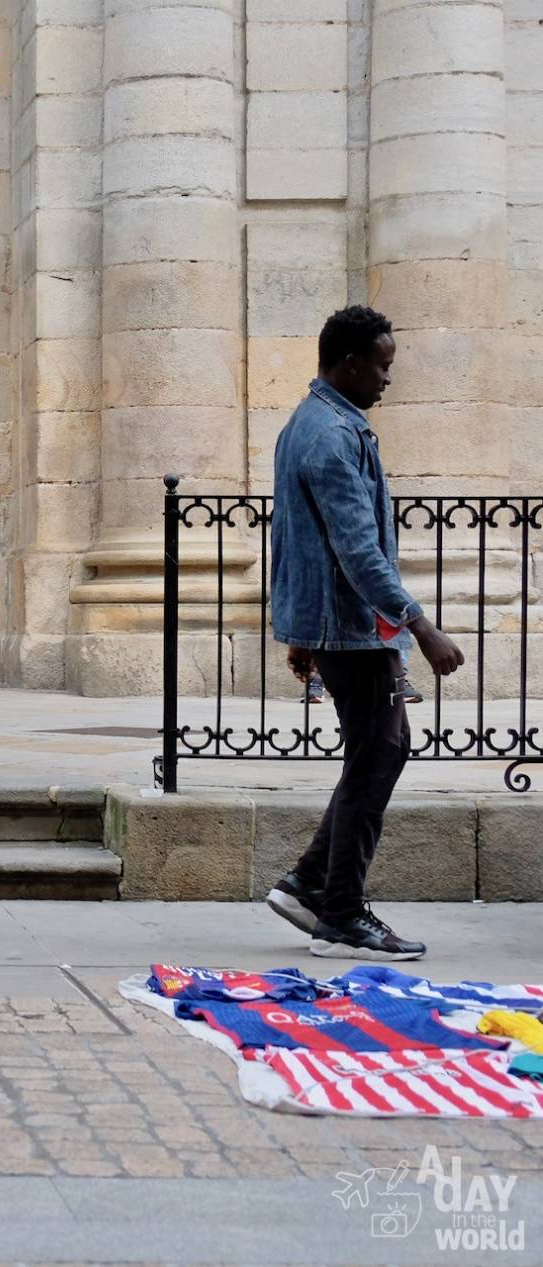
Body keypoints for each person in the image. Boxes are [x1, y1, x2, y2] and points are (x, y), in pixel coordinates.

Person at [265, 305, 464, 961]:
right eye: (381, 366)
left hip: (336, 624)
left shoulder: (313, 423)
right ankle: (341, 912)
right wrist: (422, 625)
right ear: (349, 365)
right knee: (378, 754)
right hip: (354, 629)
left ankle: (311, 883)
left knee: (380, 751)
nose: (387, 379)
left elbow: (298, 535)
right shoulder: (329, 436)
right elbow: (356, 550)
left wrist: (299, 629)